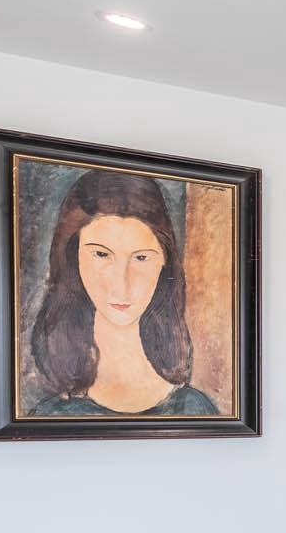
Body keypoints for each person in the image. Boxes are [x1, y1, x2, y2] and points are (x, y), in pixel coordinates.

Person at [27, 169, 219, 417]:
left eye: (141, 258)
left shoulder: (196, 410)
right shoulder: (48, 415)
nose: (121, 284)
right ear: (73, 257)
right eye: (101, 254)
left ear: (164, 264)